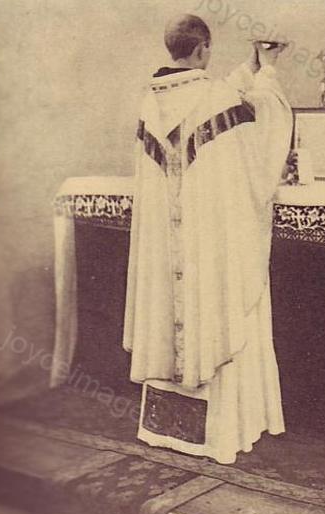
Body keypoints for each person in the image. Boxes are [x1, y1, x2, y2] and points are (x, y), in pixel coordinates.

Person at [123, 14, 293, 464]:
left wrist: (249, 69)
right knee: (221, 306)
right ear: (203, 49)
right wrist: (268, 72)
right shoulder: (217, 98)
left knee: (170, 312)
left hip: (169, 251)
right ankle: (219, 435)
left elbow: (213, 97)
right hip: (209, 248)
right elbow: (261, 147)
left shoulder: (148, 103)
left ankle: (165, 432)